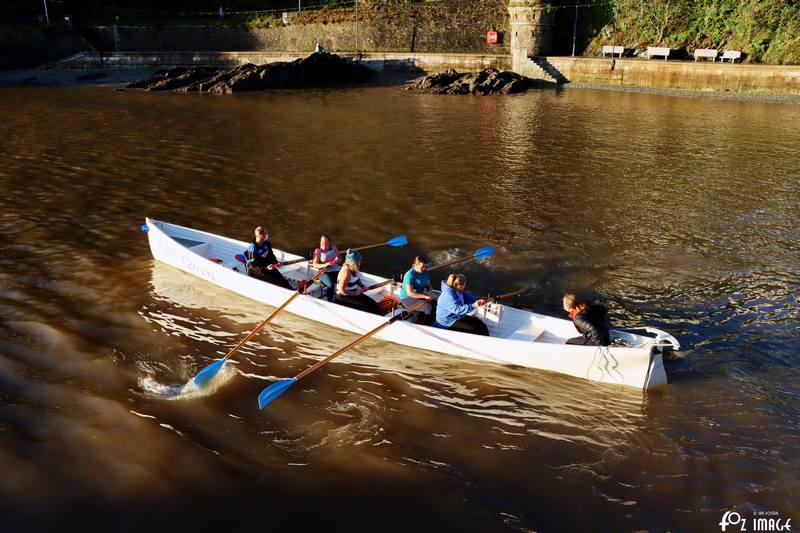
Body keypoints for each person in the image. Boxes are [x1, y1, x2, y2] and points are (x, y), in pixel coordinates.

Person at [335, 249, 381, 315]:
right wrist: (355, 293)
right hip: (343, 296)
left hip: (354, 292)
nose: (360, 262)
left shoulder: (353, 269)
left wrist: (362, 286)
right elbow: (341, 290)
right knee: (367, 307)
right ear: (355, 262)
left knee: (374, 304)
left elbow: (357, 279)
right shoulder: (346, 272)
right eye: (359, 260)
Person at [399, 255, 437, 323]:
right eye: (422, 267)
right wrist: (425, 296)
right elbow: (409, 293)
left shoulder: (425, 272)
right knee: (428, 307)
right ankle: (427, 324)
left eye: (425, 267)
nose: (424, 269)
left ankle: (433, 320)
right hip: (407, 298)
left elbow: (428, 285)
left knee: (435, 303)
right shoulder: (409, 275)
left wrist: (430, 292)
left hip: (419, 295)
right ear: (415, 265)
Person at [311, 234, 340, 301]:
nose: (324, 244)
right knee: (331, 285)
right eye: (322, 242)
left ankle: (341, 298)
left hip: (335, 270)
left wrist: (337, 260)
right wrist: (326, 264)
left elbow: (340, 260)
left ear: (329, 242)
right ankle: (330, 300)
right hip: (324, 273)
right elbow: (315, 264)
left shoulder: (334, 248)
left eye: (326, 242)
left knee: (344, 280)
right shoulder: (318, 251)